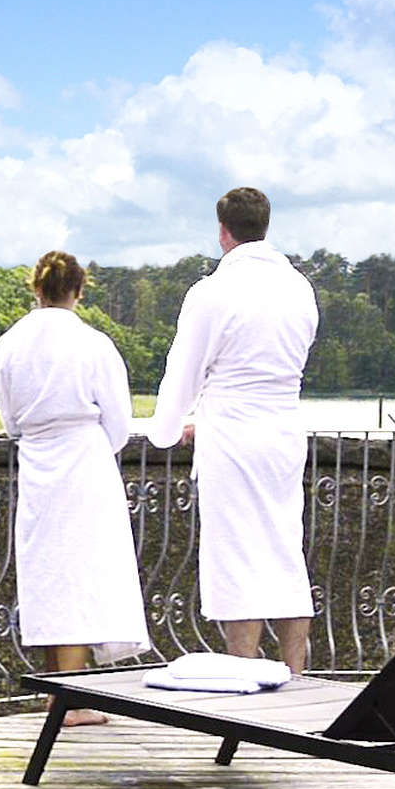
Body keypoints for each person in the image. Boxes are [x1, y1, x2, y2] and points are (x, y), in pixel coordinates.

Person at [142, 187, 319, 674]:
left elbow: (184, 369)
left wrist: (167, 427)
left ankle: (245, 673)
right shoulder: (300, 287)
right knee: (285, 547)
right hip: (284, 428)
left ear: (223, 232)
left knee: (237, 553)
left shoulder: (212, 292)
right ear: (266, 226)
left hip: (233, 433)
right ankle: (295, 673)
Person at [0, 250, 151, 726]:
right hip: (85, 461)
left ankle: (58, 691)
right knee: (81, 573)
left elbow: (9, 419)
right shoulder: (94, 343)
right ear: (79, 291)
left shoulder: (10, 344)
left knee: (47, 572)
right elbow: (119, 421)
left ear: (35, 289)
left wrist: (37, 436)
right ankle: (73, 700)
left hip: (38, 461)